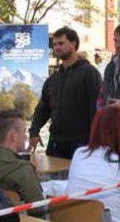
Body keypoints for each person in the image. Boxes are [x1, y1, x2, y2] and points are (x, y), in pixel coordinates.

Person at [29, 27, 102, 159]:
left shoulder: (89, 73)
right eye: (55, 44)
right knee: (54, 179)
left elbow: (97, 108)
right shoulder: (53, 79)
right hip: (56, 143)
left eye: (61, 43)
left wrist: (96, 140)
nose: (57, 47)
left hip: (83, 143)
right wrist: (34, 132)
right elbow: (42, 109)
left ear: (73, 44)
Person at [0, 110, 43, 205]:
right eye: (24, 131)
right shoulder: (22, 170)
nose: (26, 137)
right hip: (19, 219)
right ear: (13, 136)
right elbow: (39, 209)